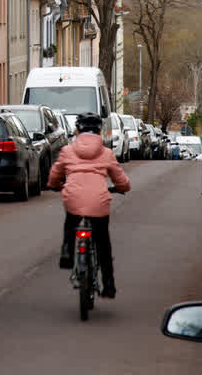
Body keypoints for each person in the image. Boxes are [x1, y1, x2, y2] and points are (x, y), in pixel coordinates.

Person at [47, 112, 130, 299]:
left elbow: (55, 174)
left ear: (77, 130)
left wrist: (54, 185)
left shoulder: (68, 151)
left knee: (71, 220)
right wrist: (121, 187)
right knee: (103, 243)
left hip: (73, 198)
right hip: (99, 201)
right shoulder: (107, 153)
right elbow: (121, 179)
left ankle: (67, 252)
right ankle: (108, 286)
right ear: (100, 131)